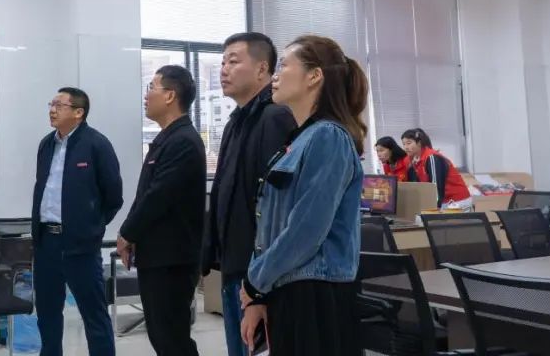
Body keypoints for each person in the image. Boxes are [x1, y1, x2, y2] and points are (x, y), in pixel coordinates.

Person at [241, 35, 366, 356]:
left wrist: (255, 282)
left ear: (314, 76)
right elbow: (270, 228)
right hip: (289, 288)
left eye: (284, 65)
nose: (275, 75)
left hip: (315, 295)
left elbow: (305, 230)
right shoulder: (301, 139)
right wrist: (258, 291)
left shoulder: (328, 136)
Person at [201, 32, 296, 356]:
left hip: (257, 275)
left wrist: (260, 286)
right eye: (222, 62)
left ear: (262, 69)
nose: (224, 69)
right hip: (234, 266)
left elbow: (276, 208)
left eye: (233, 61)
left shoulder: (275, 117)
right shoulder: (236, 122)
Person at [117, 66, 206, 356]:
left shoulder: (183, 141)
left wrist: (128, 233)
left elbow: (159, 196)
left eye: (151, 88)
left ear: (170, 96)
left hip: (172, 260)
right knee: (162, 337)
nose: (146, 96)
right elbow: (145, 193)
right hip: (157, 256)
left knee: (172, 340)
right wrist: (130, 233)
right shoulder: (167, 139)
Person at [32, 87, 123, 356]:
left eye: (59, 105)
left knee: (94, 315)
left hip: (80, 245)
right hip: (46, 242)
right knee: (47, 314)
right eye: (51, 104)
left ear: (78, 112)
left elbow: (113, 196)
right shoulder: (46, 144)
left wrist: (91, 227)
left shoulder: (97, 144)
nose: (52, 110)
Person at [401, 128, 472, 209]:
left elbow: (435, 187)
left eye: (409, 143)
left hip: (456, 201)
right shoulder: (415, 160)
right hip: (444, 201)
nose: (406, 147)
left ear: (419, 143)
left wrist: (434, 210)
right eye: (404, 144)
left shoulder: (432, 157)